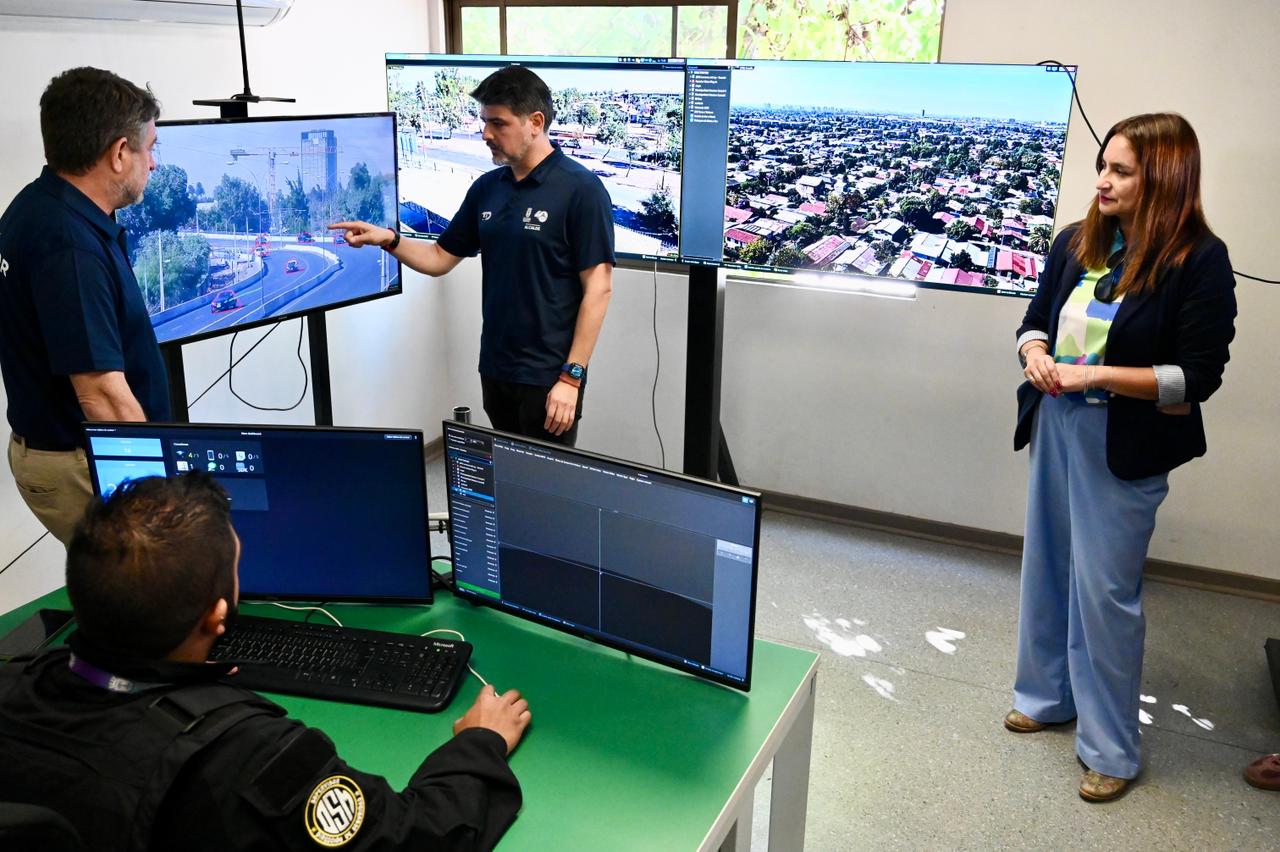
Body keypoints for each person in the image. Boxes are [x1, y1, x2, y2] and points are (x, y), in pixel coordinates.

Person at [0, 473, 531, 850]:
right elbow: (416, 838)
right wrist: (478, 745)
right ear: (218, 615)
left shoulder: (16, 683)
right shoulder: (251, 757)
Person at [1006, 113, 1237, 802]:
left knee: (1105, 594)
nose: (1102, 180)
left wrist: (1096, 376)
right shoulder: (1079, 243)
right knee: (1047, 566)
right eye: (1102, 167)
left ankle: (1111, 749)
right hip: (1056, 425)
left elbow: (1196, 378)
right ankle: (1045, 697)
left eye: (1121, 171)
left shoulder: (1200, 260)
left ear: (1163, 177)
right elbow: (1033, 321)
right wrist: (1036, 354)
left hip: (1124, 437)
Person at [332, 65, 614, 446]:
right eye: (484, 122)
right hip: (496, 369)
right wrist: (389, 240)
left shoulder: (581, 189)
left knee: (545, 489)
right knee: (504, 479)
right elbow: (438, 257)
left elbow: (598, 289)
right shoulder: (486, 189)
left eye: (498, 123)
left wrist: (572, 377)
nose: (486, 134)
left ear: (535, 121)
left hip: (549, 376)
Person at [0, 67, 170, 545]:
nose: (153, 163)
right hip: (81, 459)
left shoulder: (40, 206)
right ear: (119, 153)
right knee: (152, 586)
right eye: (150, 147)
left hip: (67, 451)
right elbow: (101, 395)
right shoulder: (68, 245)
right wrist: (161, 487)